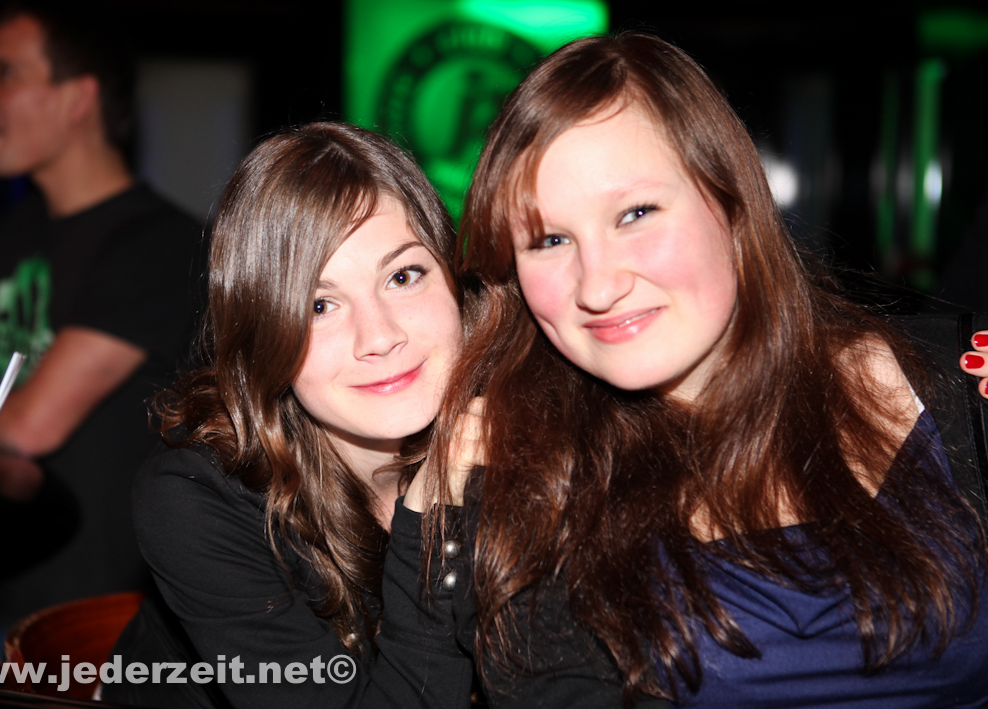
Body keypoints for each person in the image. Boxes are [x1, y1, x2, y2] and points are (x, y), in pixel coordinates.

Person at [429, 33, 988, 708]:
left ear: (730, 202)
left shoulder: (960, 381)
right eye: (550, 239)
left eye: (635, 214)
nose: (598, 286)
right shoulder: (524, 471)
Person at [105, 123, 474, 709]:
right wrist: (434, 510)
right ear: (264, 337)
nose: (379, 337)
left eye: (403, 276)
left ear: (456, 282)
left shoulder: (521, 429)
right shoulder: (195, 496)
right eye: (319, 305)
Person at [0, 0, 203, 626]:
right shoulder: (20, 230)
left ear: (78, 98)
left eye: (4, 73)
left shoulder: (159, 244)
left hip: (88, 620)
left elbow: (32, 426)